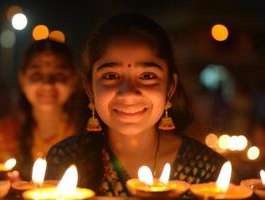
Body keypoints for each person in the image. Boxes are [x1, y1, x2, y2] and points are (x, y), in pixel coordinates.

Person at [46, 13, 228, 196]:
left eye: (147, 76)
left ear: (170, 88)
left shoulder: (207, 170)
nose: (129, 92)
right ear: (90, 88)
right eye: (111, 76)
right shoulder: (65, 159)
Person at [0, 39, 87, 179]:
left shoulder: (86, 131)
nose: (47, 84)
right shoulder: (1, 134)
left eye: (59, 75)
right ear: (22, 80)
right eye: (36, 75)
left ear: (74, 81)